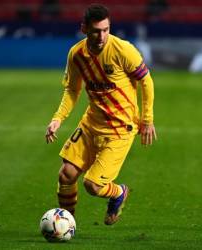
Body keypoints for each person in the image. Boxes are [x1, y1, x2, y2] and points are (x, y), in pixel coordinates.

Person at [45, 4, 157, 225]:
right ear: (84, 28)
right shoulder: (76, 54)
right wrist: (57, 118)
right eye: (96, 30)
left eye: (106, 29)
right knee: (66, 175)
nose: (102, 35)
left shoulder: (123, 50)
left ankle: (118, 193)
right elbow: (72, 90)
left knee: (93, 185)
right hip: (91, 124)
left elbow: (146, 80)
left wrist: (147, 120)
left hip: (119, 130)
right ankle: (67, 224)